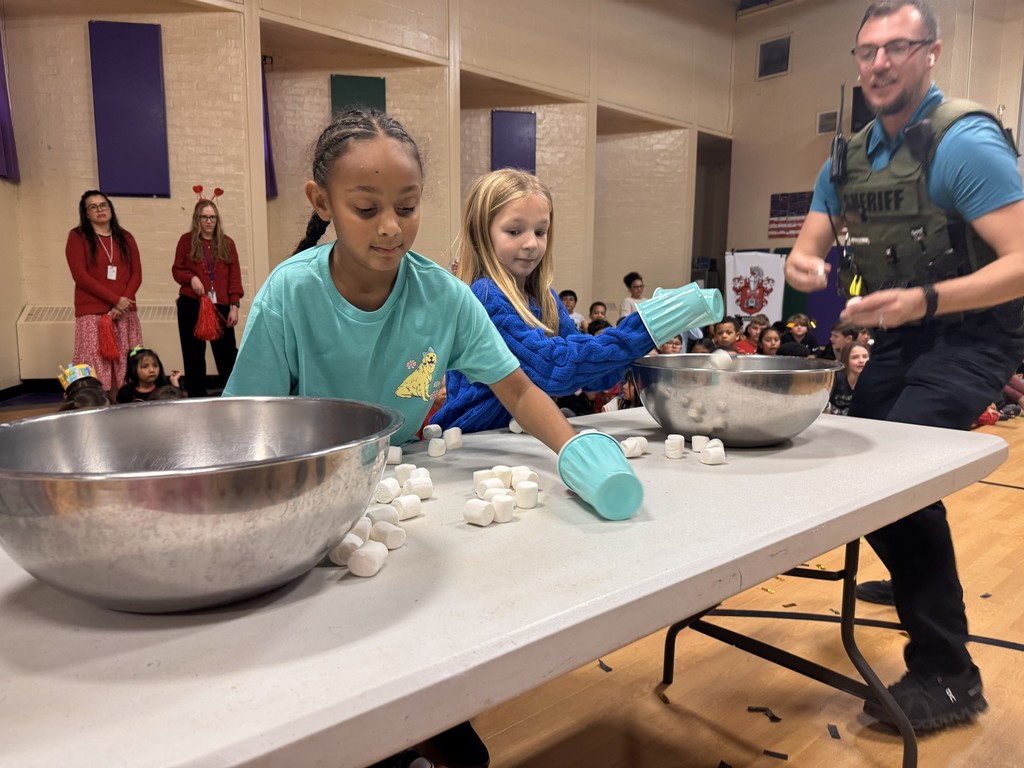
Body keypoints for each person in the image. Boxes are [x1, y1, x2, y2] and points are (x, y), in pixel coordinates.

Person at [221, 110, 643, 768]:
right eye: (366, 209)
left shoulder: (443, 298)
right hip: (305, 500)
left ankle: (420, 719)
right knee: (329, 656)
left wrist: (575, 451)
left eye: (408, 207)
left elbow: (519, 390)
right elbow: (245, 426)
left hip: (395, 494)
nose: (390, 227)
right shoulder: (291, 295)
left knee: (417, 619)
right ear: (321, 202)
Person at [783, 0, 1024, 732]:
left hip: (975, 333)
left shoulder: (964, 144)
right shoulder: (847, 158)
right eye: (868, 51)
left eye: (898, 47)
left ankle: (950, 676)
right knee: (867, 473)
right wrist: (804, 268)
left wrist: (923, 301)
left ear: (932, 53)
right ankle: (915, 566)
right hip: (901, 332)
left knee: (900, 479)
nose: (880, 63)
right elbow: (807, 250)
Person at [432, 168, 720, 433]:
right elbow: (553, 368)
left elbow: (588, 373)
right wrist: (645, 326)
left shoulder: (545, 298)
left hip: (515, 437)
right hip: (471, 437)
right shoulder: (485, 296)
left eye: (540, 231)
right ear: (482, 234)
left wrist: (634, 351)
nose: (531, 243)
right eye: (514, 231)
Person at [65, 190, 143, 397]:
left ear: (110, 208)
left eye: (103, 205)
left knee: (124, 362)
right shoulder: (78, 237)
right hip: (93, 314)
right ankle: (97, 404)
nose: (100, 209)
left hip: (124, 312)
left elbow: (136, 274)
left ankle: (123, 402)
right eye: (93, 207)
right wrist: (115, 300)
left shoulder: (125, 237)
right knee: (96, 363)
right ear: (86, 213)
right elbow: (80, 275)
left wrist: (123, 303)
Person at [172, 198, 245, 398]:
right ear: (197, 219)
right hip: (192, 304)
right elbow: (177, 270)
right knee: (193, 354)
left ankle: (233, 395)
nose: (209, 221)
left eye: (212, 217)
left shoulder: (227, 243)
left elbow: (234, 277)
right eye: (204, 217)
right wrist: (191, 278)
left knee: (226, 354)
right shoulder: (186, 241)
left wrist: (234, 305)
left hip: (220, 305)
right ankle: (197, 398)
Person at [115, 346, 183, 404]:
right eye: (145, 367)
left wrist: (174, 382)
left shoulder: (164, 387)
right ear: (133, 370)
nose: (152, 370)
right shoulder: (126, 392)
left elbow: (178, 406)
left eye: (155, 366)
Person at [827, 341, 870, 414]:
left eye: (865, 356)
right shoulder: (834, 379)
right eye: (855, 357)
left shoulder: (874, 382)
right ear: (846, 360)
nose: (861, 360)